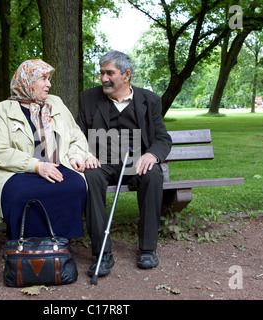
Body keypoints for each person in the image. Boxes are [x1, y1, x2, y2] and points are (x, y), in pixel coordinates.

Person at [77, 51, 173, 277]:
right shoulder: (88, 99)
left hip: (136, 161)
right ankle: (102, 253)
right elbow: (78, 134)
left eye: (109, 73)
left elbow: (162, 137)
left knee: (152, 174)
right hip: (102, 161)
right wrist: (85, 154)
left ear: (126, 75)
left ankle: (148, 249)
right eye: (101, 73)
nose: (103, 78)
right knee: (89, 178)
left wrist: (152, 155)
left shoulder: (150, 100)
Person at [0, 59, 91, 241]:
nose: (49, 84)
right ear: (27, 80)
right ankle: (27, 246)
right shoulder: (1, 110)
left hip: (58, 165)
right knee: (20, 193)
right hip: (18, 172)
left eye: (49, 79)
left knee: (75, 184)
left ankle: (59, 244)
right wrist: (37, 166)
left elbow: (77, 136)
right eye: (43, 78)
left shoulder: (56, 103)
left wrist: (76, 155)